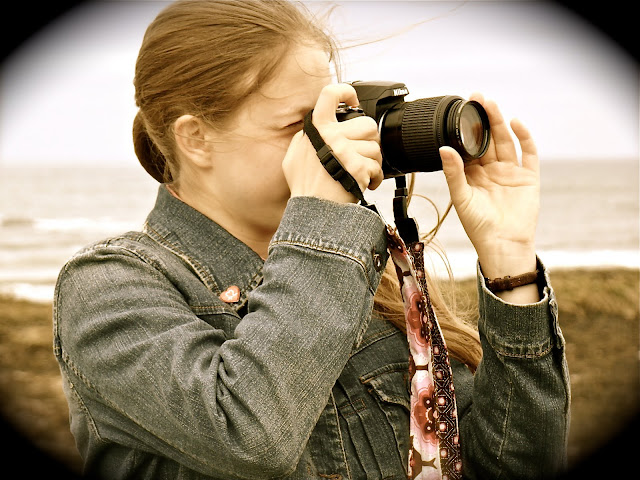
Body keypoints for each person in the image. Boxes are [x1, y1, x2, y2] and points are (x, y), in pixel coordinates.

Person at [53, 1, 570, 479]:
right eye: (300, 126)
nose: (330, 145)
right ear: (196, 139)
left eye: (333, 120)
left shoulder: (371, 280)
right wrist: (323, 223)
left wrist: (510, 268)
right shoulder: (107, 287)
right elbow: (251, 435)